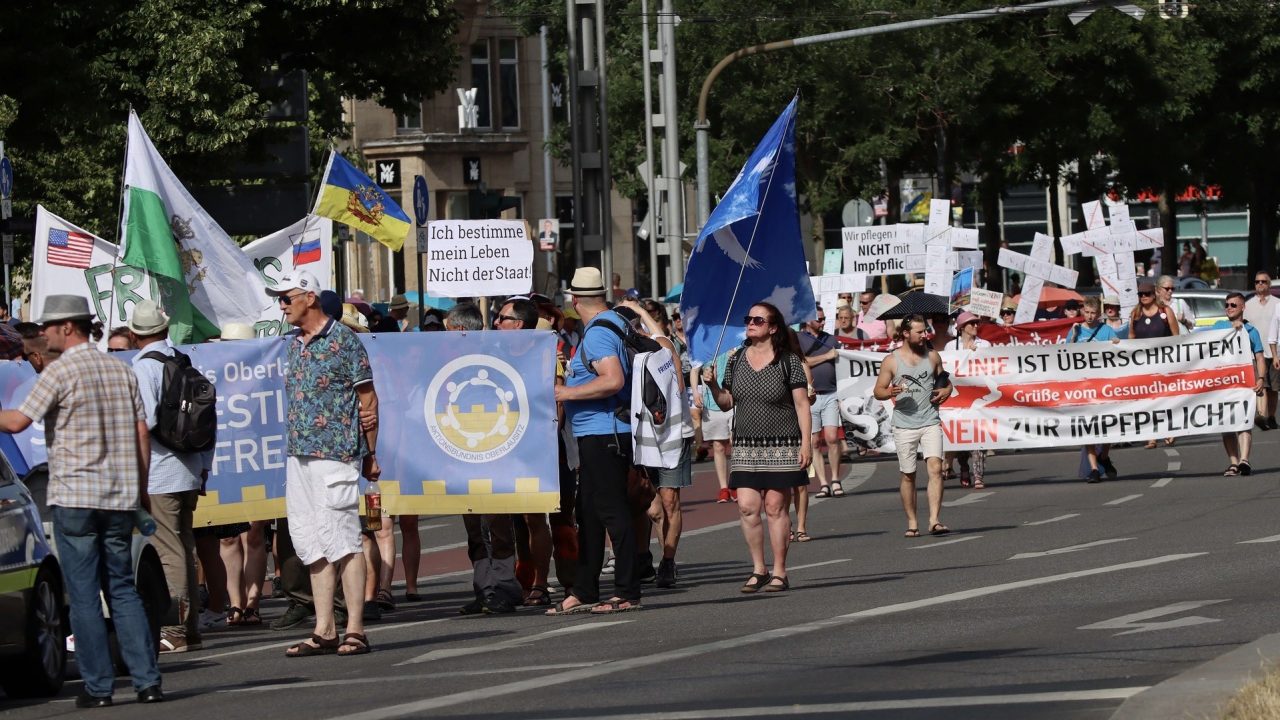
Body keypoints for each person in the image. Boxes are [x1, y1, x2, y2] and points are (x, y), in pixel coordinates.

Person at [0, 295, 164, 707]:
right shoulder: (119, 369)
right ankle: (147, 681)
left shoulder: (59, 373)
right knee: (123, 589)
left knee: (85, 594)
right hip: (120, 496)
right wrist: (140, 491)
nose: (42, 337)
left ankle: (99, 688)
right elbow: (142, 432)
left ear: (67, 328)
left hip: (75, 496)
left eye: (47, 329)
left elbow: (18, 421)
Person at [270, 270, 379, 657]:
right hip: (298, 455)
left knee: (345, 541)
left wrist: (371, 454)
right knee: (310, 541)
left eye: (286, 298)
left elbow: (368, 401)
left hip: (337, 454)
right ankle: (324, 628)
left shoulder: (345, 342)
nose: (281, 305)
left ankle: (355, 628)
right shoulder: (292, 345)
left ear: (310, 297)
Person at [548, 268, 642, 614]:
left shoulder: (599, 333)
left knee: (612, 513)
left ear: (574, 301)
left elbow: (613, 380)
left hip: (604, 433)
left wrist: (565, 391)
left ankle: (628, 589)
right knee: (587, 514)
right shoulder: (615, 323)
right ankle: (584, 589)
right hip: (598, 433)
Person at [701, 302, 811, 594]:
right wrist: (713, 387)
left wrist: (807, 443)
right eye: (748, 319)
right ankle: (758, 569)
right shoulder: (736, 359)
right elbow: (727, 402)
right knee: (748, 507)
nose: (750, 323)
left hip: (783, 445)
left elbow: (802, 405)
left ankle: (780, 571)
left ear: (772, 327)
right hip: (747, 446)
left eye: (758, 320)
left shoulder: (788, 361)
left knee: (775, 507)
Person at [126, 301, 213, 653]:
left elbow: (143, 423)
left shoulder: (143, 369)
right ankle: (190, 629)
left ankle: (175, 629)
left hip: (160, 472)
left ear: (135, 335)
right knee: (185, 546)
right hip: (189, 466)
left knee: (168, 550)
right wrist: (204, 464)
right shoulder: (182, 361)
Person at [495, 297, 557, 605]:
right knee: (510, 519)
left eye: (502, 318)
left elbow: (556, 400)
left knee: (535, 518)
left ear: (518, 324)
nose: (496, 322)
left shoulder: (543, 353)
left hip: (533, 445)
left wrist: (543, 438)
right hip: (499, 444)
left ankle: (541, 583)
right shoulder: (494, 352)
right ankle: (518, 578)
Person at [873, 315, 953, 538]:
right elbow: (878, 390)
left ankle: (934, 520)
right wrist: (890, 391)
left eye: (925, 331)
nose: (924, 335)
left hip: (930, 421)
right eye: (919, 332)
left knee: (936, 468)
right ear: (906, 334)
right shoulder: (892, 360)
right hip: (904, 424)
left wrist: (947, 391)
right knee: (908, 474)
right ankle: (912, 522)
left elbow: (944, 382)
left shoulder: (933, 356)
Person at [632, 298, 693, 588]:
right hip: (643, 439)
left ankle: (668, 561)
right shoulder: (632, 356)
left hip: (673, 435)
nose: (639, 331)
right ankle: (647, 556)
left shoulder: (664, 353)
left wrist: (642, 311)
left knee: (670, 501)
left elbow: (663, 339)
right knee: (652, 507)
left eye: (642, 327)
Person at [1067, 298, 1121, 483]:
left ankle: (1104, 455)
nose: (1090, 316)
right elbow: (1063, 357)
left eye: (1093, 313)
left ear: (1099, 314)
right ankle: (1093, 468)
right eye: (1087, 312)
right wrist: (1073, 338)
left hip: (1103, 386)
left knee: (1109, 424)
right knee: (1087, 426)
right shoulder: (1076, 329)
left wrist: (1116, 344)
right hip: (1083, 387)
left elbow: (1117, 350)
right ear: (1083, 311)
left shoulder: (1105, 330)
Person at [1214, 292, 1266, 476]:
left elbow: (1259, 357)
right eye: (1227, 305)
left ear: (1242, 307)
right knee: (1227, 425)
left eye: (1233, 305)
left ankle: (1244, 460)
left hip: (1244, 383)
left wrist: (1260, 378)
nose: (1229, 308)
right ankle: (1233, 463)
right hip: (1222, 385)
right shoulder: (1217, 327)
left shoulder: (1251, 331)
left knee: (1243, 422)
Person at [801, 307, 844, 507]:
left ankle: (835, 479)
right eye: (819, 319)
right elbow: (802, 362)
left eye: (825, 318)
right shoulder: (800, 339)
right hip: (811, 396)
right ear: (808, 320)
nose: (823, 322)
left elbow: (843, 364)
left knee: (832, 437)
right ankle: (823, 483)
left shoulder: (831, 339)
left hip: (831, 393)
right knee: (814, 441)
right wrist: (826, 357)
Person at [1130, 279, 1180, 449]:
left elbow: (1176, 337)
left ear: (1154, 294)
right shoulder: (1135, 314)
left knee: (1165, 399)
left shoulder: (1165, 312)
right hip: (1144, 365)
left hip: (1165, 364)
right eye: (1140, 294)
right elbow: (1131, 339)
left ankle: (1168, 431)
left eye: (1147, 294)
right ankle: (1151, 436)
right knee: (1148, 400)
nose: (1144, 297)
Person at [946, 312, 989, 489]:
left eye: (976, 324)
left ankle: (978, 475)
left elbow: (990, 365)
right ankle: (964, 466)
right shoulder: (951, 346)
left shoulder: (984, 344)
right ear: (962, 327)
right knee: (962, 437)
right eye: (971, 324)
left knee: (979, 437)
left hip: (978, 395)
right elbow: (947, 367)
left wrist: (975, 354)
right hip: (958, 397)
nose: (975, 327)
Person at [693, 351, 736, 503]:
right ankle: (724, 488)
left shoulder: (736, 340)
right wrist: (696, 392)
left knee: (735, 442)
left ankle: (735, 483)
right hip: (711, 402)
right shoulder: (707, 345)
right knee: (718, 446)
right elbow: (694, 369)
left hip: (733, 399)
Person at [1247, 272, 1280, 430]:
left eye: (1263, 281)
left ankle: (1271, 416)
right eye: (1257, 281)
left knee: (1273, 388)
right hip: (1256, 353)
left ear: (1269, 284)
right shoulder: (1248, 305)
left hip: (1275, 353)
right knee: (1261, 385)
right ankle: (1262, 416)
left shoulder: (1277, 304)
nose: (1260, 284)